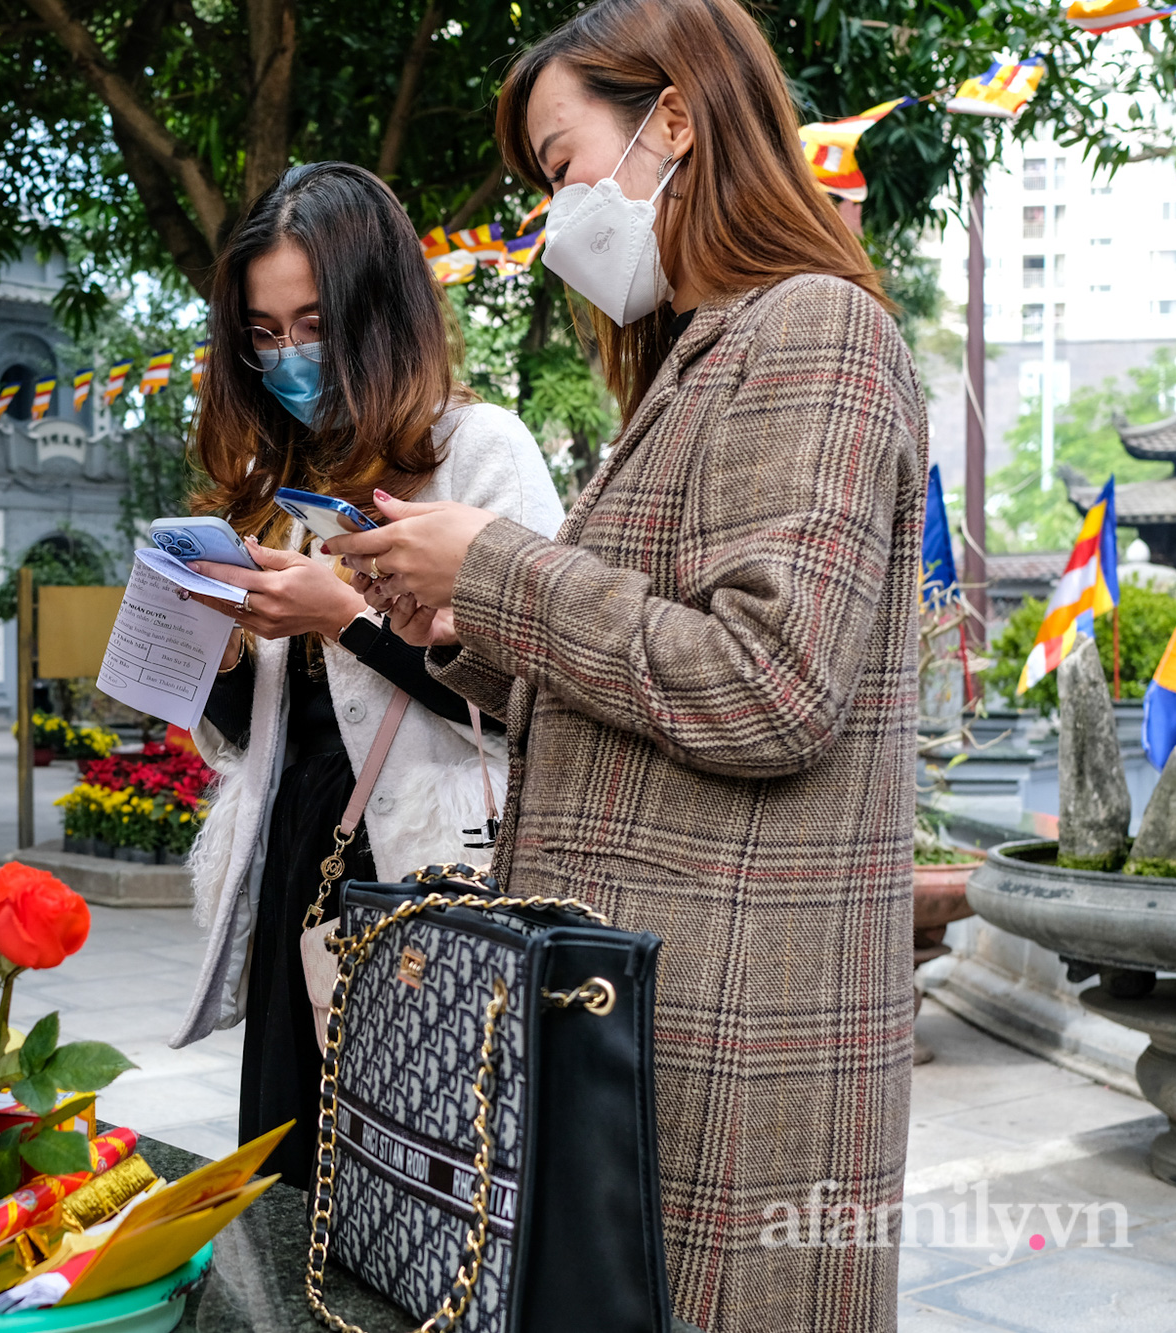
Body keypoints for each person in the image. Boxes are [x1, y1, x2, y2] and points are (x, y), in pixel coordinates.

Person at [326, 3, 924, 1328]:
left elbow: (770, 687)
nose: (556, 214)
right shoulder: (706, 359)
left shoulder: (812, 329)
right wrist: (455, 624)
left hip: (733, 1030)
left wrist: (499, 567)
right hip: (644, 1011)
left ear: (674, 116)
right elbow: (636, 677)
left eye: (559, 162)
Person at [168, 161, 566, 1189]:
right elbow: (274, 725)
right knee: (293, 1173)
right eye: (263, 333)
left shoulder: (478, 453)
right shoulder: (279, 478)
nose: (289, 355)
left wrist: (344, 617)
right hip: (301, 858)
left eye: (312, 322)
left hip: (423, 873)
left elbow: (537, 694)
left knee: (422, 1175)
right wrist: (210, 655)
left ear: (377, 312)